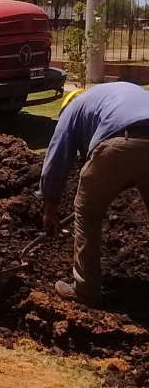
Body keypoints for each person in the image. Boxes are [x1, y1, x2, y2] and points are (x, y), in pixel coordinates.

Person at [39, 83, 149, 305]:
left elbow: (57, 158)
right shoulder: (112, 95)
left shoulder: (71, 110)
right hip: (136, 133)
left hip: (119, 140)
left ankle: (85, 289)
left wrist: (49, 203)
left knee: (88, 214)